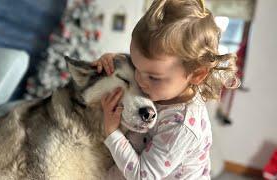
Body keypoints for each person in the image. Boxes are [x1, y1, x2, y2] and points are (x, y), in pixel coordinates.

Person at [91, 0, 240, 179]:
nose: (140, 80)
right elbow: (140, 64)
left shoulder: (181, 126)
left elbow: (142, 175)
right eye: (137, 68)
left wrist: (112, 132)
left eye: (153, 77)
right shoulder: (167, 82)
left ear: (197, 74)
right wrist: (112, 59)